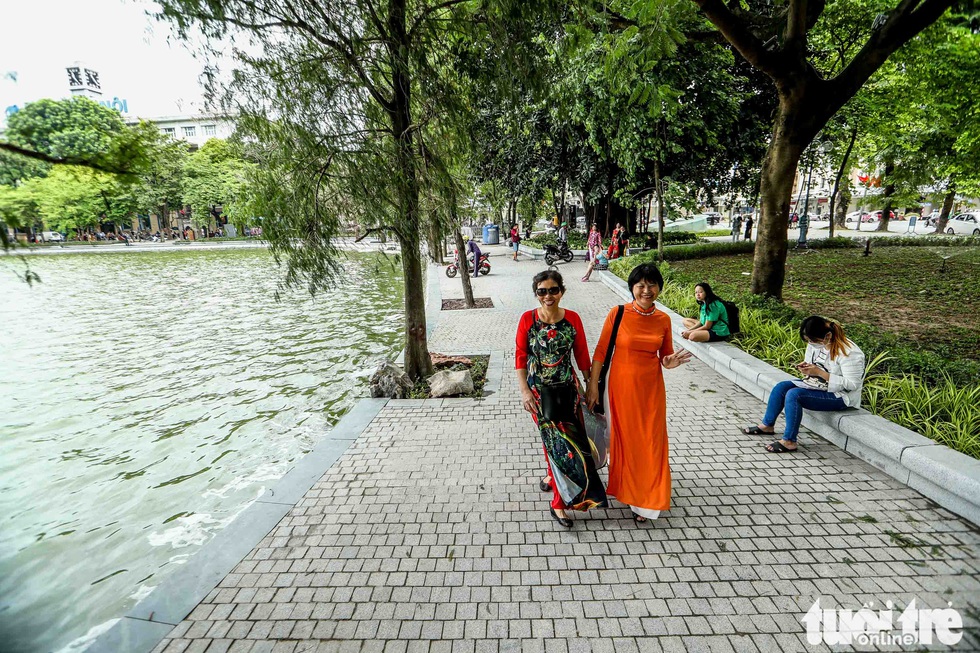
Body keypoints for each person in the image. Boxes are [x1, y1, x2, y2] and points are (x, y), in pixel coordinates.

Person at [586, 264, 692, 522]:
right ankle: (630, 491)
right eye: (640, 285)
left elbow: (665, 354)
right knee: (625, 441)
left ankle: (648, 498)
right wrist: (592, 386)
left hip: (651, 388)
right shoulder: (618, 313)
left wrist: (669, 362)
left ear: (659, 287)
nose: (646, 290)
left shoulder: (663, 319)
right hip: (619, 387)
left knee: (651, 441)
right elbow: (601, 351)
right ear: (632, 287)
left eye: (652, 284)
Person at [516, 270, 607, 528]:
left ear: (562, 292)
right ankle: (558, 504)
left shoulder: (573, 319)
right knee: (556, 444)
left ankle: (553, 476)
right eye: (542, 291)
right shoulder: (527, 320)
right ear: (536, 294)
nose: (548, 295)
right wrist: (524, 391)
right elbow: (520, 357)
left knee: (567, 441)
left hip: (568, 390)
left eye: (553, 290)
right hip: (539, 394)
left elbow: (582, 355)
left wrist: (591, 387)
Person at [743, 315, 865, 453]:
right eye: (808, 341)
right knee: (781, 387)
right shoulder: (815, 344)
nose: (811, 344)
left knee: (794, 395)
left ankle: (789, 441)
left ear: (828, 336)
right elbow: (812, 366)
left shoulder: (850, 352)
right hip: (816, 385)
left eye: (813, 341)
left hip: (841, 396)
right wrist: (806, 368)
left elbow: (852, 384)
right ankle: (767, 425)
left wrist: (819, 372)